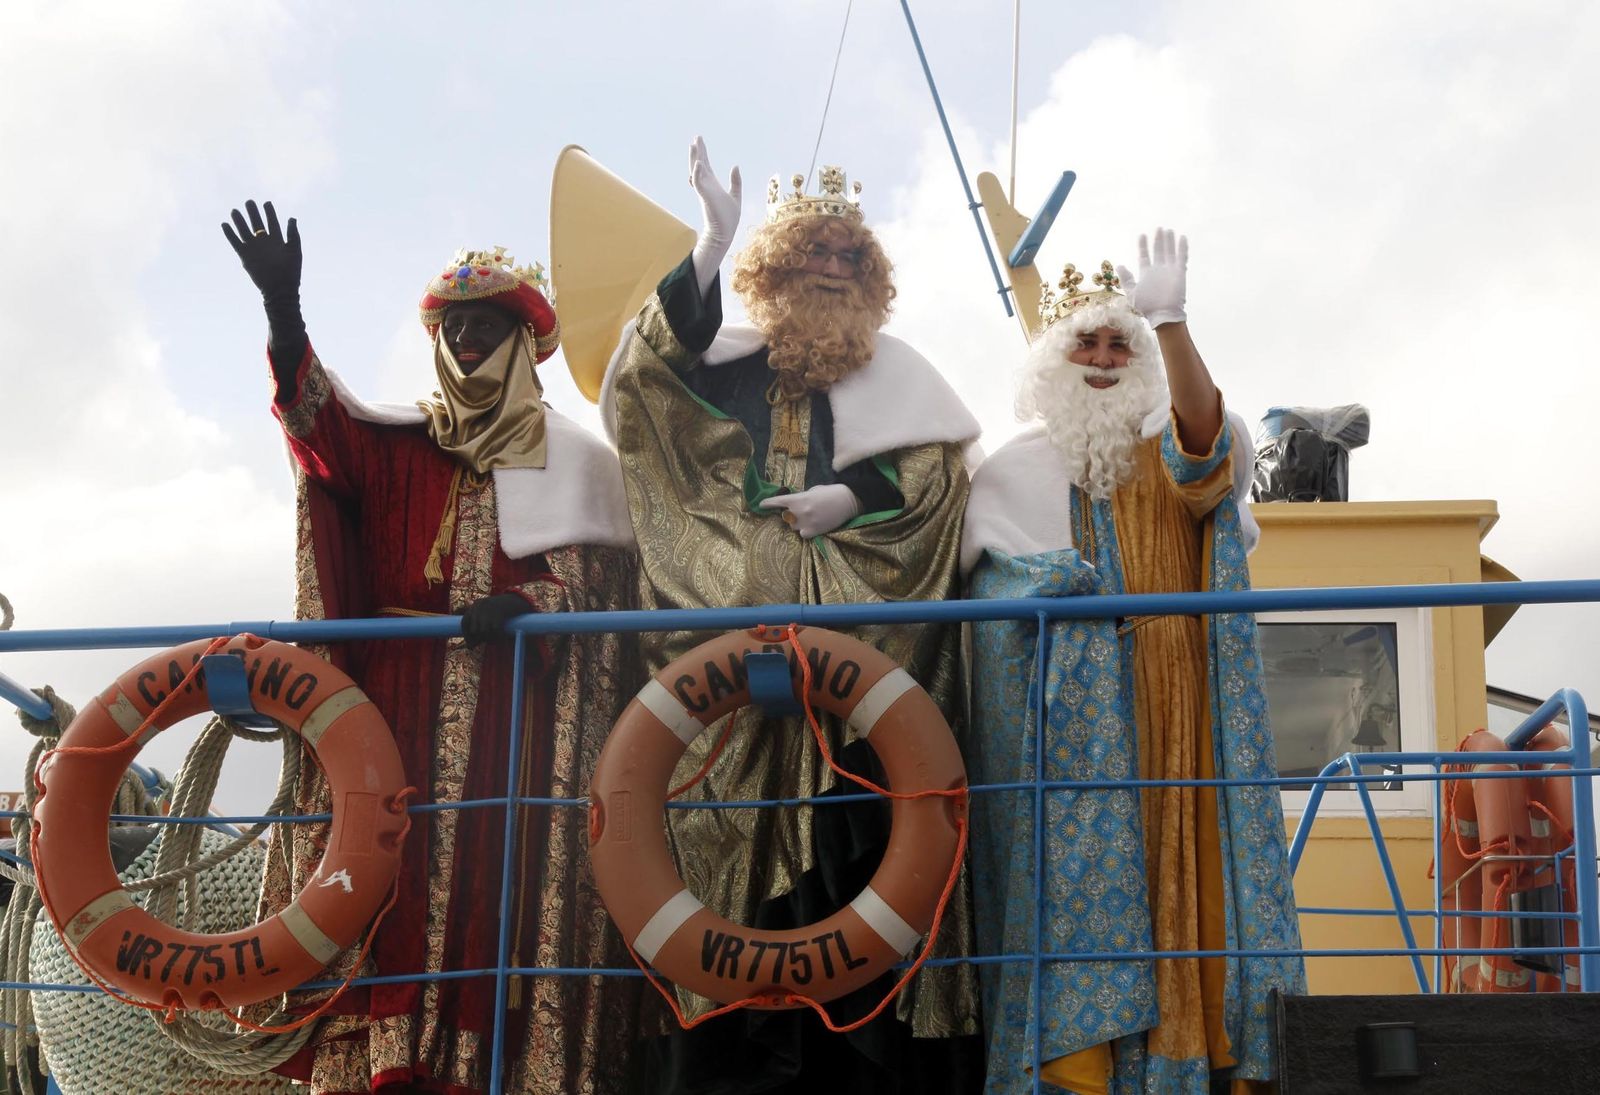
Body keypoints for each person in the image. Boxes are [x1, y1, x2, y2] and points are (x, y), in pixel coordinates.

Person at [223, 201, 648, 1094]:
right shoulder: (399, 443)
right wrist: (283, 313)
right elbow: (316, 429)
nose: (463, 345)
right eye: (451, 328)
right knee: (384, 883)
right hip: (387, 703)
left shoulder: (577, 461)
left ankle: (485, 1070)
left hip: (513, 715)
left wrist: (531, 600)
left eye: (482, 326)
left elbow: (600, 585)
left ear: (520, 340)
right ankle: (381, 1068)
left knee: (498, 889)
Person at [600, 141, 985, 1091]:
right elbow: (646, 391)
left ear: (871, 277)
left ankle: (851, 1069)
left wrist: (855, 500)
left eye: (850, 256)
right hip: (721, 683)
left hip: (855, 686)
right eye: (813, 250)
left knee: (858, 862)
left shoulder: (902, 380)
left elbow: (935, 479)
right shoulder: (726, 365)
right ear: (774, 266)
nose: (831, 267)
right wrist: (707, 248)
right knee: (713, 867)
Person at [960, 232, 1306, 1094]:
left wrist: (1172, 321)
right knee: (1083, 884)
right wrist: (1047, 582)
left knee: (1190, 877)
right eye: (1090, 343)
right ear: (1055, 361)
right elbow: (991, 590)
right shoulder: (1013, 470)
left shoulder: (1166, 438)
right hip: (1076, 729)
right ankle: (1085, 1070)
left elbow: (1207, 446)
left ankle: (1197, 1060)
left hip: (1182, 707)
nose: (1107, 360)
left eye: (1123, 344)